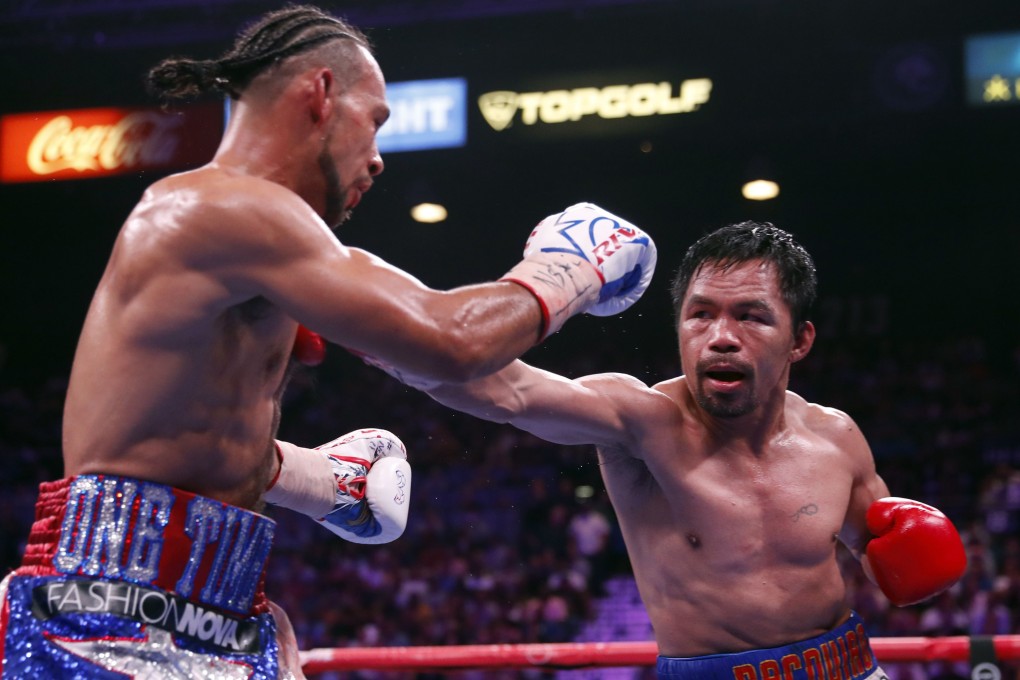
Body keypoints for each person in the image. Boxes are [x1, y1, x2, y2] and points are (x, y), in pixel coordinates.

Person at [0, 5, 656, 679]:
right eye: (374, 121)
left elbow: (485, 377)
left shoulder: (287, 254)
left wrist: (313, 480)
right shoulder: (217, 210)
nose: (377, 157)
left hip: (217, 611)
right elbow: (451, 340)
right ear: (319, 93)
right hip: (108, 612)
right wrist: (572, 267)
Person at [421, 222, 968, 679]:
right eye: (700, 314)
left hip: (850, 667)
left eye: (750, 316)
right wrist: (371, 331)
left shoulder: (837, 436)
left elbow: (884, 564)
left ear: (799, 340)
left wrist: (914, 562)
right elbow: (502, 392)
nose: (720, 337)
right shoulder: (639, 422)